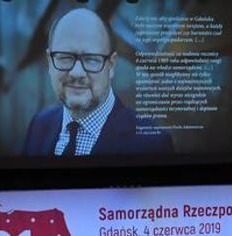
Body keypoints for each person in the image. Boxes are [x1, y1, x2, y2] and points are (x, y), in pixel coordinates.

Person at [21, 8, 174, 157]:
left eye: (91, 59)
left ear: (112, 66)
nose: (77, 73)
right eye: (65, 57)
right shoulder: (39, 126)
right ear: (50, 61)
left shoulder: (151, 145)